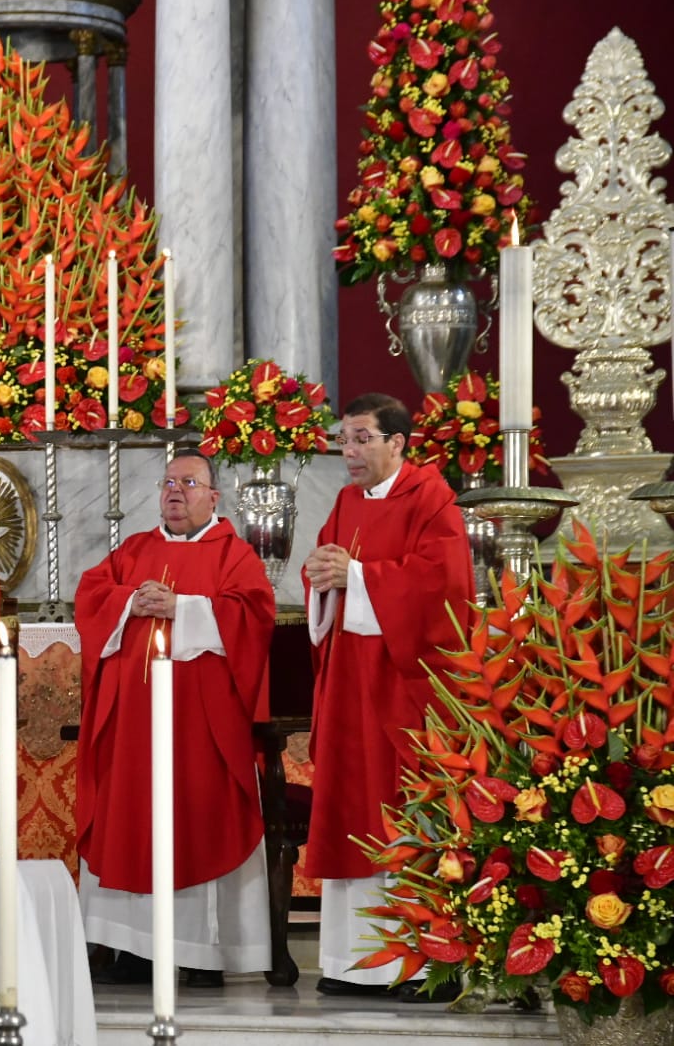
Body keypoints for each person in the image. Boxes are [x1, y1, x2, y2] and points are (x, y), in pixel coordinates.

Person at [74, 451, 276, 988]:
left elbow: (253, 615)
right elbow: (91, 595)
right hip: (132, 726)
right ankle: (131, 950)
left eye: (189, 482)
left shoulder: (235, 555)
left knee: (196, 819)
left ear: (214, 496)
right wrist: (128, 603)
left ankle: (201, 955)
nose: (175, 491)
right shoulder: (134, 550)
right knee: (131, 820)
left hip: (199, 729)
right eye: (168, 482)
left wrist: (183, 608)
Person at [301, 392, 473, 997]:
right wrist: (322, 576)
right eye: (343, 440)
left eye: (361, 439)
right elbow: (323, 569)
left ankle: (423, 964)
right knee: (354, 809)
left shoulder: (432, 498)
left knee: (408, 810)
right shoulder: (346, 502)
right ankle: (351, 962)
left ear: (398, 442)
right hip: (351, 685)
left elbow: (444, 587)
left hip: (405, 688)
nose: (348, 452)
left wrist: (358, 576)